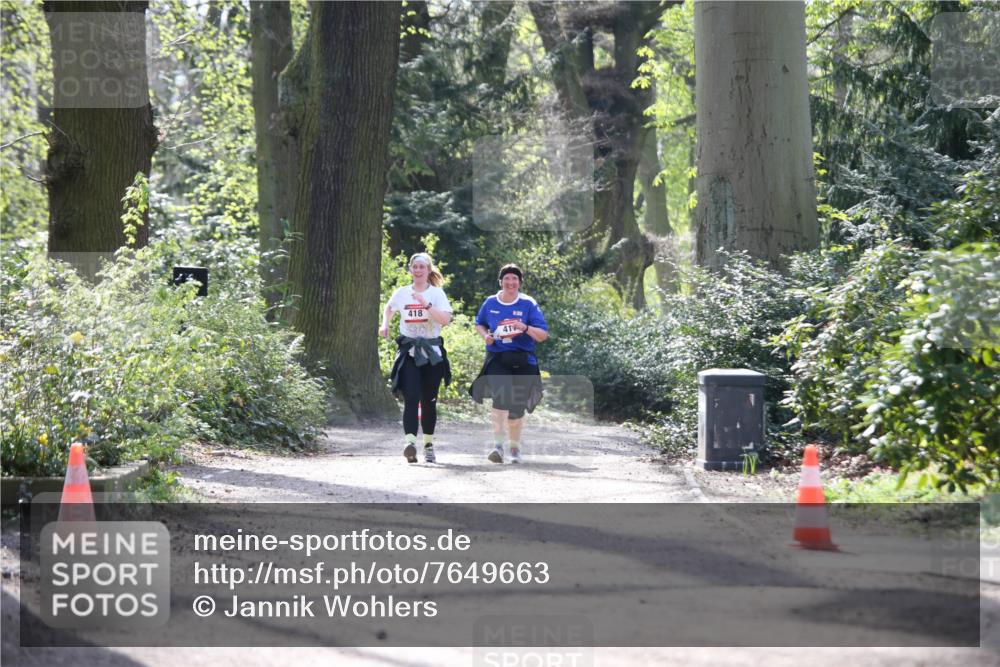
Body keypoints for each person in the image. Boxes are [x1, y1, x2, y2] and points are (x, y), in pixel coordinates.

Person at [469, 263, 549, 464]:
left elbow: (542, 335)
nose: (510, 282)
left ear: (520, 283)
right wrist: (485, 335)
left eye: (514, 279)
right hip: (498, 358)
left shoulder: (528, 304)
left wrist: (525, 327)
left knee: (516, 408)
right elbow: (480, 323)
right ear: (500, 282)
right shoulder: (490, 303)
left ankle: (514, 448)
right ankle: (497, 447)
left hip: (524, 359)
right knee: (500, 397)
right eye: (507, 279)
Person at [381, 253, 453, 463]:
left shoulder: (437, 294)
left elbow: (446, 320)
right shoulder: (402, 293)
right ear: (410, 270)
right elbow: (389, 307)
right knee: (411, 397)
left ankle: (428, 444)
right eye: (415, 267)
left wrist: (426, 305)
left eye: (422, 267)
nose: (418, 270)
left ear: (429, 270)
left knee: (429, 401)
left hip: (432, 353)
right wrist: (385, 324)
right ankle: (410, 443)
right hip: (410, 352)